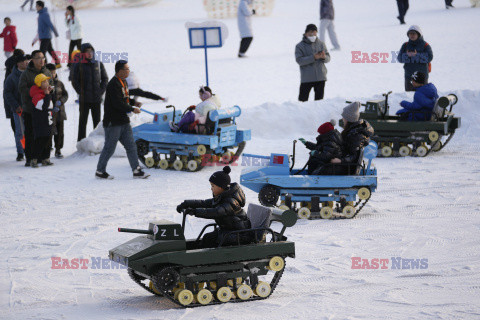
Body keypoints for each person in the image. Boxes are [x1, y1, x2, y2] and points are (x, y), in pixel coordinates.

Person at [176, 166, 253, 248]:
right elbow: (204, 203)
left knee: (211, 240)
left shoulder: (231, 201)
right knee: (207, 238)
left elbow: (217, 212)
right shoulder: (221, 197)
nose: (211, 189)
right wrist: (186, 203)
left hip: (239, 235)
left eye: (213, 186)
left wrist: (195, 212)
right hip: (229, 231)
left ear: (221, 187)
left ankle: (207, 259)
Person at [95, 60, 146, 180]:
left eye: (129, 68)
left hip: (123, 121)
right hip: (113, 122)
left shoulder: (123, 82)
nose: (129, 71)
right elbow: (118, 103)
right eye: (126, 69)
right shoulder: (113, 84)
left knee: (131, 146)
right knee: (109, 148)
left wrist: (134, 103)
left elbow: (125, 99)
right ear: (119, 71)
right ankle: (100, 171)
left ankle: (136, 170)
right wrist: (132, 109)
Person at [19, 50, 53, 167]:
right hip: (30, 109)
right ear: (32, 60)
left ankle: (45, 158)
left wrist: (49, 91)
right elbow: (22, 89)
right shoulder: (26, 74)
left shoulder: (47, 71)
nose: (41, 60)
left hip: (46, 110)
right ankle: (30, 158)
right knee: (30, 134)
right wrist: (35, 92)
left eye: (43, 57)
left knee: (47, 133)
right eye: (38, 58)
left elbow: (52, 85)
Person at [72, 43, 108, 141]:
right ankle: (80, 142)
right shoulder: (78, 65)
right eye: (87, 52)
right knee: (82, 122)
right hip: (84, 100)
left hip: (96, 99)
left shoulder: (98, 64)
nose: (89, 53)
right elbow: (74, 80)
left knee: (97, 123)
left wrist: (101, 91)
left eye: (91, 51)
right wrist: (81, 92)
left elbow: (105, 79)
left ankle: (97, 142)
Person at [331, 102, 374, 174]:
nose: (343, 119)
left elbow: (353, 155)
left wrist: (340, 161)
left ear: (349, 118)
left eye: (344, 117)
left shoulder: (355, 135)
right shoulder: (352, 132)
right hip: (346, 165)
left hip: (347, 168)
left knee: (319, 167)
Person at [295, 24, 330, 102]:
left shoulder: (321, 44)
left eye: (314, 32)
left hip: (320, 77)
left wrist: (324, 57)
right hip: (307, 78)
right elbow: (299, 61)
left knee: (319, 102)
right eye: (310, 32)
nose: (312, 34)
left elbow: (328, 58)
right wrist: (313, 57)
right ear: (306, 33)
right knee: (302, 101)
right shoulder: (299, 46)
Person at [4, 55, 28, 161]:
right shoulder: (11, 77)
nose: (25, 63)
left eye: (26, 61)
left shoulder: (30, 74)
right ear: (18, 63)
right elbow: (7, 93)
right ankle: (21, 152)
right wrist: (16, 106)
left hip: (30, 108)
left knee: (30, 130)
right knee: (20, 132)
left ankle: (30, 150)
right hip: (18, 109)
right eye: (23, 61)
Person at [398, 25, 433, 92]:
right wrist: (407, 55)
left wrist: (417, 55)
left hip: (422, 77)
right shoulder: (405, 45)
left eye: (414, 33)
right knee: (410, 96)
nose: (412, 35)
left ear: (418, 34)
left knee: (422, 96)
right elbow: (399, 58)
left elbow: (429, 57)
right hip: (409, 76)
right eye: (410, 34)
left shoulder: (425, 45)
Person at [29, 73, 54, 168]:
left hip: (48, 121)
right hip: (40, 123)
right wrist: (47, 95)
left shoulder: (45, 93)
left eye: (47, 81)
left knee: (48, 140)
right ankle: (34, 159)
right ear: (39, 84)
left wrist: (50, 93)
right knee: (40, 141)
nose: (47, 83)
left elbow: (52, 104)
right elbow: (44, 106)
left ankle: (45, 158)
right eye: (44, 81)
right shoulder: (36, 96)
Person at [46, 63, 68, 158]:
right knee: (50, 131)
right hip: (50, 112)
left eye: (54, 72)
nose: (52, 74)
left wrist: (61, 101)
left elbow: (65, 95)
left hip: (60, 111)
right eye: (50, 72)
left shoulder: (59, 83)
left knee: (60, 132)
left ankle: (58, 149)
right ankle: (48, 148)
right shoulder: (44, 84)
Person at [34, 1, 60, 68]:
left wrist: (55, 32)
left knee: (42, 52)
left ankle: (44, 65)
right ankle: (57, 63)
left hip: (46, 36)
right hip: (43, 36)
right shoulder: (41, 14)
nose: (36, 7)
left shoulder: (45, 14)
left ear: (40, 6)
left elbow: (50, 24)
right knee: (50, 50)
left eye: (37, 6)